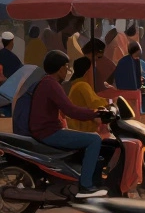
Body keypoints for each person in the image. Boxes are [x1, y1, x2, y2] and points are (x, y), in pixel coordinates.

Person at [29, 51, 110, 198]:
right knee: (94, 139)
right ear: (60, 68)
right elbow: (71, 110)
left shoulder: (46, 82)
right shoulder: (52, 85)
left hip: (44, 130)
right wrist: (95, 114)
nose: (67, 70)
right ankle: (85, 185)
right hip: (49, 133)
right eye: (66, 67)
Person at [67, 57, 109, 133]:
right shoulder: (82, 85)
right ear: (87, 72)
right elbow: (95, 104)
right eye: (92, 70)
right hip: (83, 129)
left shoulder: (77, 85)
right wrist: (108, 103)